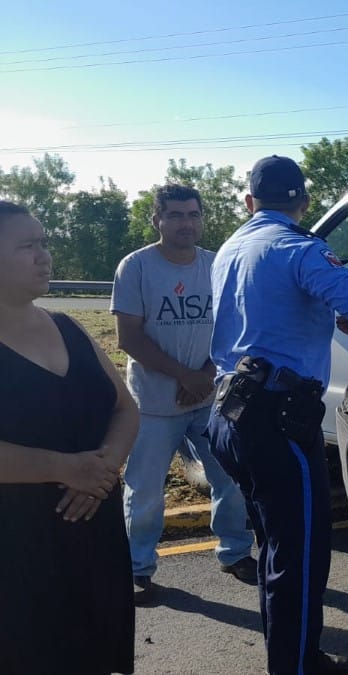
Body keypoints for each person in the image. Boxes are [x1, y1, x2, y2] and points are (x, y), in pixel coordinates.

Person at [206, 156, 348, 675]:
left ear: (249, 201)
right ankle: (297, 667)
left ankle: (295, 656)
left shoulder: (230, 248)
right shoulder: (299, 247)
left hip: (228, 413)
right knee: (299, 558)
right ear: (302, 202)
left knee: (276, 548)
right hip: (276, 419)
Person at [0, 200, 138, 674]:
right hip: (17, 553)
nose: (44, 256)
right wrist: (63, 468)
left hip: (92, 540)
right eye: (26, 246)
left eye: (44, 243)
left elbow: (125, 408)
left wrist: (104, 469)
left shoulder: (67, 326)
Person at [112, 184, 257, 604]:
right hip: (154, 404)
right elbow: (128, 338)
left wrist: (205, 376)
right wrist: (184, 376)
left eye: (193, 214)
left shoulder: (216, 264)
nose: (186, 223)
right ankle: (137, 569)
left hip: (211, 398)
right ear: (157, 220)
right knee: (145, 491)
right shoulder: (136, 267)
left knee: (230, 478)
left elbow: (234, 330)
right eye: (175, 215)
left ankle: (234, 553)